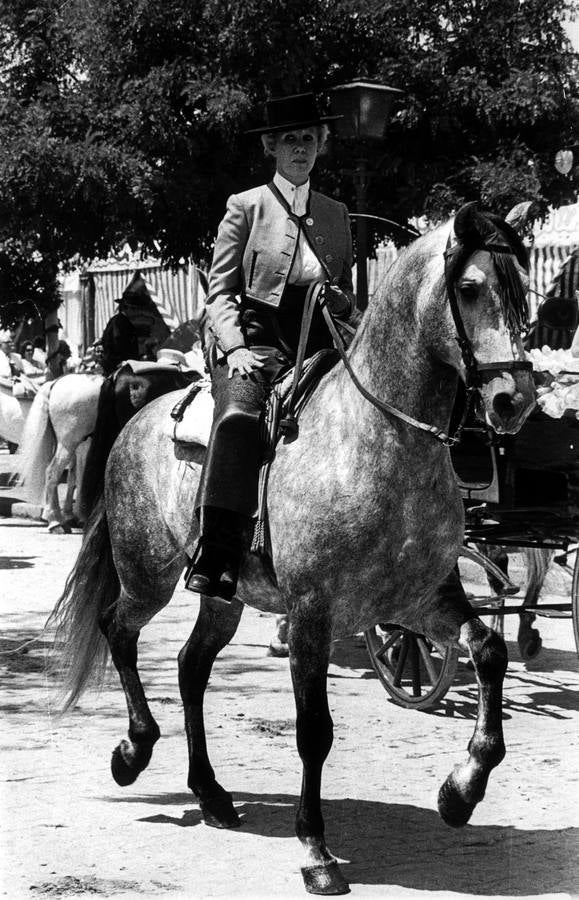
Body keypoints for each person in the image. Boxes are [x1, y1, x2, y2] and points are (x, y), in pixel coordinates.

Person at [185, 91, 356, 600]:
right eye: (290, 140)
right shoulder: (246, 206)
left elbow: (344, 289)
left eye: (309, 139)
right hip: (256, 336)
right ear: (271, 147)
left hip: (321, 337)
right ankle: (218, 549)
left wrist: (342, 302)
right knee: (239, 418)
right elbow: (220, 293)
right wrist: (234, 347)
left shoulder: (336, 212)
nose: (300, 149)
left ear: (321, 145)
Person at [100, 296, 140, 375]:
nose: (135, 312)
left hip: (116, 361)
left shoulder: (120, 320)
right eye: (134, 309)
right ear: (126, 309)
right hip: (116, 363)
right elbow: (117, 340)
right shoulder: (120, 321)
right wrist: (122, 360)